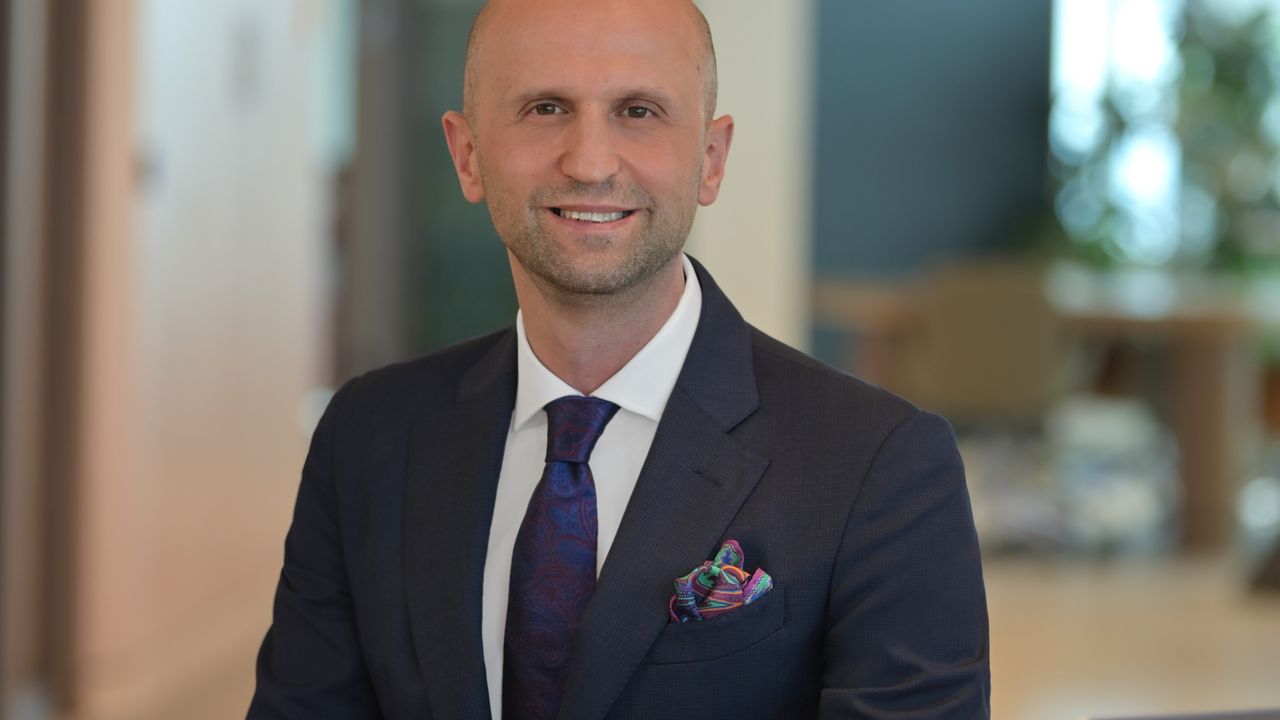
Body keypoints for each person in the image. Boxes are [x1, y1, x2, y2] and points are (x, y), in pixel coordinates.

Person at [248, 0, 990, 717]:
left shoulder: (878, 463)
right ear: (467, 156)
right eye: (545, 108)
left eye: (638, 111)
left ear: (711, 159)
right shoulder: (367, 436)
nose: (590, 162)